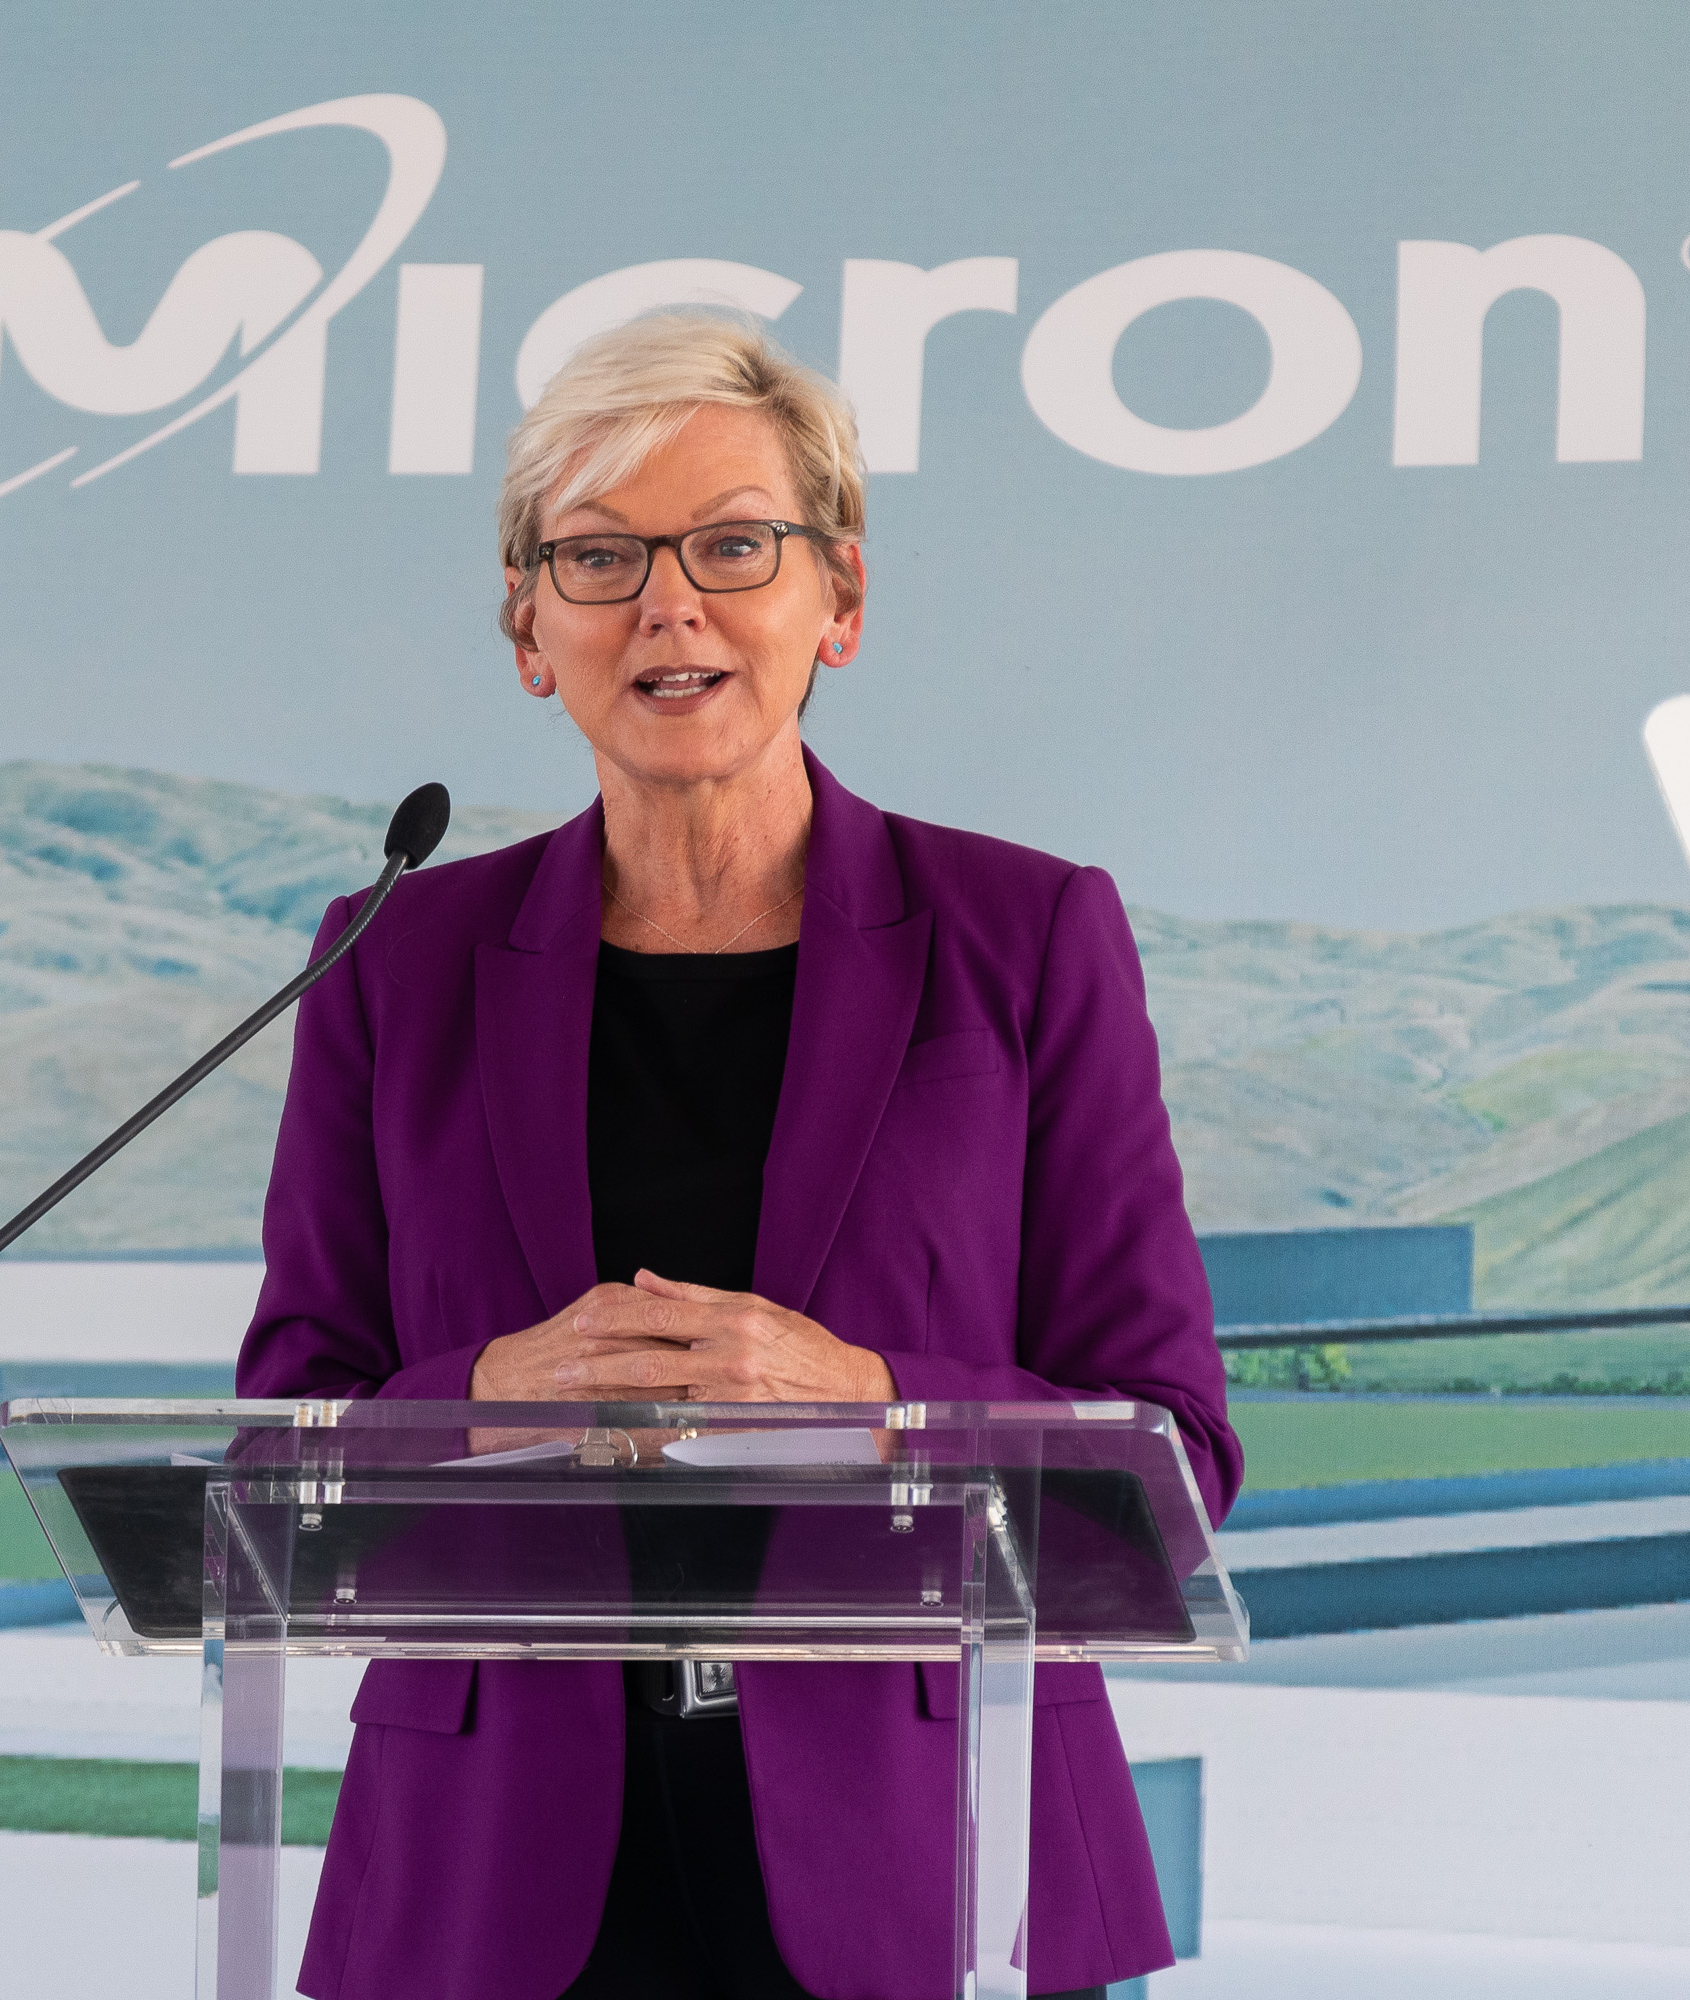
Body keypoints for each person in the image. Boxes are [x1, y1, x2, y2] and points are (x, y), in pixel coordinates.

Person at [236, 311, 1240, 2000]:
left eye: (733, 545)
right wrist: (488, 1396)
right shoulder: (391, 960)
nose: (669, 603)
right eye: (600, 556)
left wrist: (873, 1404)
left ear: (840, 600)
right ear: (528, 629)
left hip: (940, 1858)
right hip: (492, 1878)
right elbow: (281, 1455)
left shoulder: (1024, 937)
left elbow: (1176, 1464)